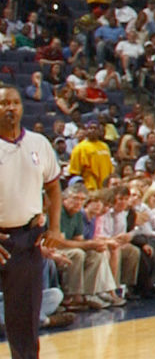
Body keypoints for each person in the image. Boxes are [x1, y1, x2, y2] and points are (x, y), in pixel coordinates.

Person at [0, 85, 61, 359]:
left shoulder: (39, 143)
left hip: (26, 239)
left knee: (25, 320)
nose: (9, 108)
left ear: (22, 108)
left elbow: (53, 187)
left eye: (14, 102)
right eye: (3, 104)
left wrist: (55, 227)